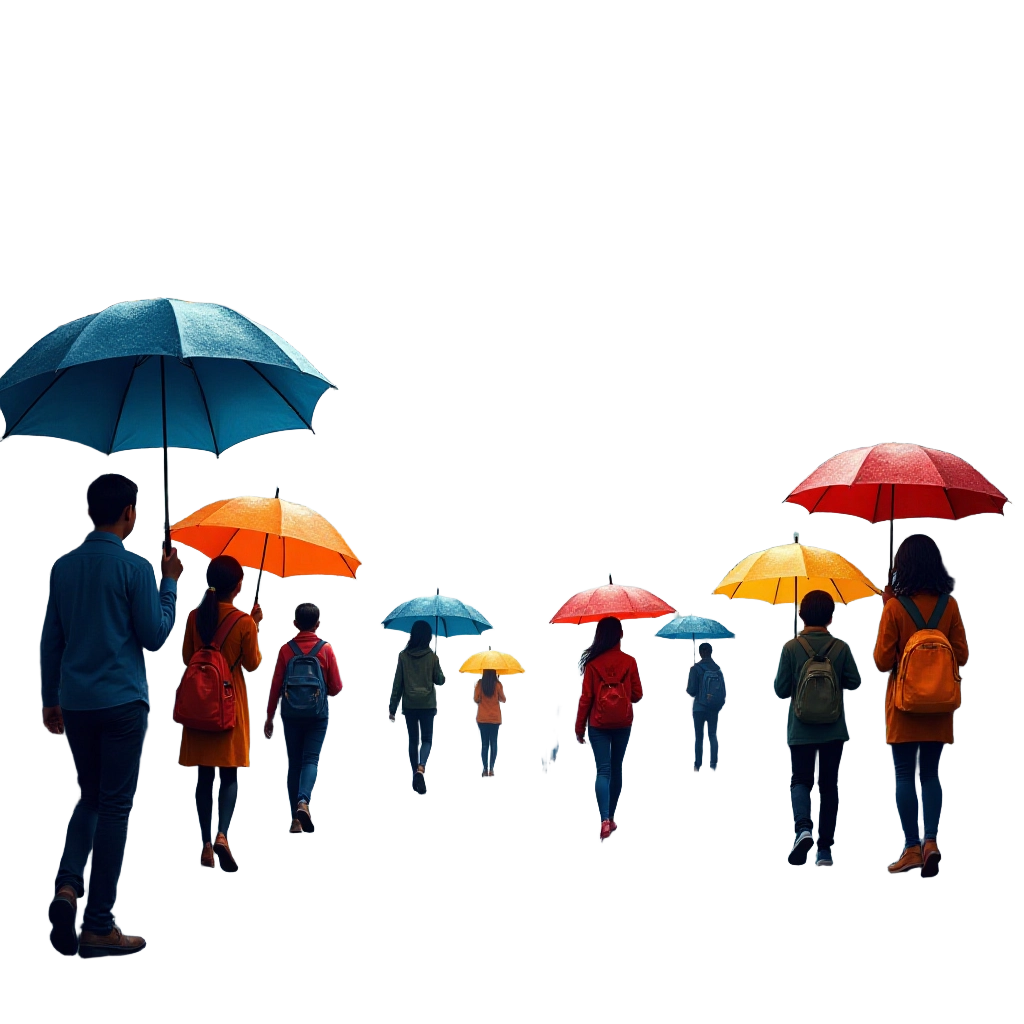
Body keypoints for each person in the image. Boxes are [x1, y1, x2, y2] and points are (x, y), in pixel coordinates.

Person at [40, 472, 183, 959]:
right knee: (115, 807)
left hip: (77, 703)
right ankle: (98, 925)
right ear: (129, 513)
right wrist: (169, 582)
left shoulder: (64, 568)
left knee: (90, 798)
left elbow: (51, 640)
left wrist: (49, 699)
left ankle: (67, 888)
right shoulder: (136, 570)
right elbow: (154, 635)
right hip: (122, 703)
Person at [874, 534, 969, 880]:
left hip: (904, 705)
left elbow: (883, 661)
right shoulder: (950, 606)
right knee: (930, 773)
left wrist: (887, 610)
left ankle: (912, 848)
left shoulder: (896, 607)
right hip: (940, 704)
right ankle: (932, 842)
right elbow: (962, 655)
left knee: (904, 775)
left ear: (903, 567)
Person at [178, 555, 262, 873]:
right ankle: (223, 835)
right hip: (230, 704)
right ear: (239, 586)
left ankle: (204, 847)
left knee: (204, 777)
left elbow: (189, 658)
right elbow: (252, 664)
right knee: (229, 775)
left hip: (200, 706)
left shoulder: (195, 617)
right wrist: (253, 625)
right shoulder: (243, 622)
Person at [773, 590, 862, 870]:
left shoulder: (791, 647)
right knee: (828, 785)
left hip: (800, 728)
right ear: (830, 617)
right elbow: (854, 681)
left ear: (801, 615)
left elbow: (781, 689)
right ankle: (825, 850)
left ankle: (803, 830)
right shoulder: (841, 647)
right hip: (833, 728)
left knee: (801, 780)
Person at [263, 601, 344, 836]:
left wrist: (269, 716)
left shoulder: (286, 650)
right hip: (317, 715)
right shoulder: (326, 649)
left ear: (295, 624)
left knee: (295, 763)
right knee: (311, 760)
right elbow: (336, 687)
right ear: (318, 624)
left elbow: (276, 685)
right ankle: (303, 802)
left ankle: (295, 822)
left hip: (290, 714)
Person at [574, 616, 645, 843]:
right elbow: (637, 694)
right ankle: (613, 817)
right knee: (616, 768)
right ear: (621, 634)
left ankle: (604, 820)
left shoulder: (592, 664)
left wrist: (579, 728)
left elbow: (586, 698)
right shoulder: (630, 662)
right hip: (623, 722)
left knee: (603, 770)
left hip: (598, 723)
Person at [388, 620, 446, 795]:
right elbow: (440, 681)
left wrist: (392, 708)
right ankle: (421, 768)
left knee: (413, 740)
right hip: (427, 704)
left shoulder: (403, 656)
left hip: (410, 704)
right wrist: (436, 663)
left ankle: (415, 774)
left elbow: (397, 684)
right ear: (429, 637)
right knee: (426, 739)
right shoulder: (432, 657)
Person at [686, 642, 727, 776]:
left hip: (699, 707)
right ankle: (714, 767)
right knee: (713, 735)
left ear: (700, 653)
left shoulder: (695, 668)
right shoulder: (718, 670)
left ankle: (697, 765)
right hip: (713, 708)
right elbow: (723, 692)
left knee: (699, 737)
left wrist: (691, 679)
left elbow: (691, 691)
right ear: (710, 652)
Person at [474, 668, 506, 782]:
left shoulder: (480, 683)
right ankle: (492, 770)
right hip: (494, 719)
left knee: (485, 744)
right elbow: (503, 699)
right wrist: (499, 683)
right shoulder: (497, 684)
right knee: (493, 743)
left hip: (483, 718)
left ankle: (484, 770)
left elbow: (476, 699)